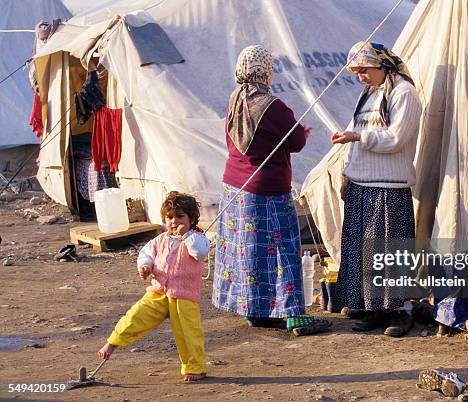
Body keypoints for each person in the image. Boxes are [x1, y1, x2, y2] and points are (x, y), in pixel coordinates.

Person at [212, 45, 330, 335]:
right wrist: (302, 133)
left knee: (248, 250)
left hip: (235, 187)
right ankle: (291, 313)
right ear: (266, 71)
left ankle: (255, 309)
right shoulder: (272, 105)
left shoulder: (235, 99)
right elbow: (295, 143)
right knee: (280, 248)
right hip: (266, 188)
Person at [331, 41, 422, 337]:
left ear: (382, 65)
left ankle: (399, 311)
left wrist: (358, 136)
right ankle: (374, 309)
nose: (361, 76)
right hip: (362, 184)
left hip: (388, 186)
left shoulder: (403, 93)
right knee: (365, 251)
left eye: (365, 70)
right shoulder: (368, 95)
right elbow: (353, 139)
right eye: (357, 72)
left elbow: (396, 139)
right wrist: (346, 173)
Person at [97, 191, 211, 382]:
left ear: (192, 219)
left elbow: (199, 253)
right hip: (158, 292)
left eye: (180, 217)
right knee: (135, 316)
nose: (174, 221)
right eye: (170, 217)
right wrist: (145, 266)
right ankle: (113, 342)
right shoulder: (160, 240)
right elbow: (146, 254)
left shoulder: (198, 239)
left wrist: (187, 235)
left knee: (188, 333)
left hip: (184, 296)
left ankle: (195, 367)